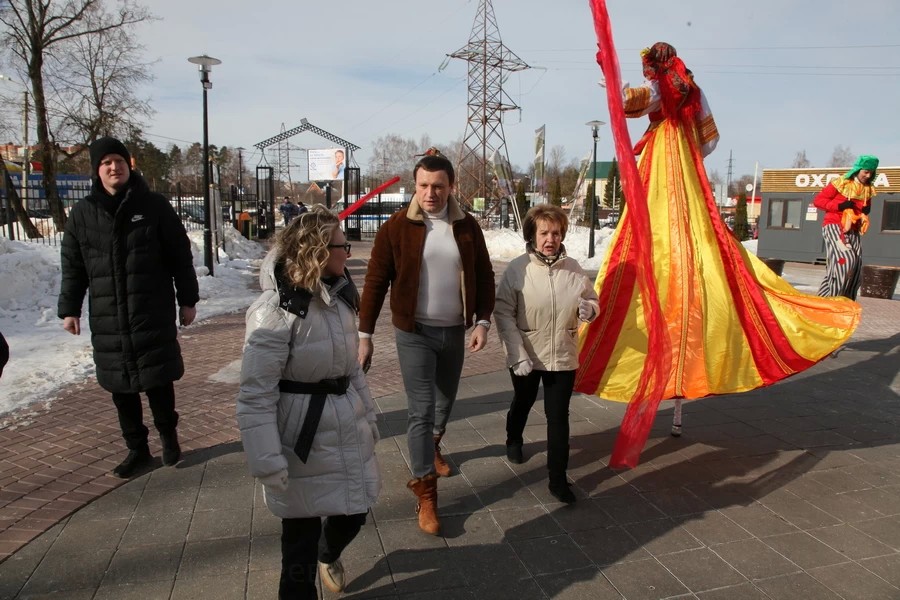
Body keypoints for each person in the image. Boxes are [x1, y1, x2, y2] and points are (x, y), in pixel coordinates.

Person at [577, 40, 861, 468]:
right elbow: (709, 142)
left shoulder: (662, 88)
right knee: (701, 252)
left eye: (648, 68)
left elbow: (633, 101)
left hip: (663, 170)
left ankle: (662, 370)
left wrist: (615, 85)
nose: (649, 74)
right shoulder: (692, 88)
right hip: (687, 169)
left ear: (655, 65)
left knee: (650, 243)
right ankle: (689, 373)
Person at [237, 206, 380, 599]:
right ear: (316, 250)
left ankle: (329, 551)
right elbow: (256, 393)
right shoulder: (274, 312)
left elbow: (350, 367)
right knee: (297, 558)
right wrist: (265, 459)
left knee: (354, 513)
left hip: (345, 425)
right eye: (342, 246)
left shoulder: (341, 296)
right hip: (299, 437)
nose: (348, 253)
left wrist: (368, 415)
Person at [358, 148, 495, 535]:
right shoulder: (396, 227)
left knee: (445, 401)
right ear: (414, 186)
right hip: (413, 332)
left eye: (438, 186)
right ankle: (426, 493)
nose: (430, 193)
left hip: (454, 330)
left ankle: (434, 445)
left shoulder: (467, 226)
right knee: (419, 410)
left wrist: (482, 322)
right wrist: (364, 334)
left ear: (452, 187)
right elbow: (374, 281)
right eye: (423, 185)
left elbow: (485, 277)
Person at [58, 136, 199, 478]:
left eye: (118, 161)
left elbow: (180, 255)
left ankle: (168, 436)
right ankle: (136, 449)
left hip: (151, 310)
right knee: (120, 386)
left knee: (158, 378)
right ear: (97, 170)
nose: (113, 167)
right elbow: (73, 265)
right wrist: (70, 308)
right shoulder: (83, 213)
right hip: (108, 317)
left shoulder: (154, 206)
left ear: (128, 165)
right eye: (106, 162)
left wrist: (188, 299)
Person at [494, 204, 598, 503]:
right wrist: (517, 354)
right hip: (526, 353)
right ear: (533, 235)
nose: (550, 238)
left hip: (562, 354)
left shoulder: (574, 269)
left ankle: (557, 480)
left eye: (555, 232)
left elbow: (591, 298)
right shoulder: (518, 269)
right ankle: (514, 437)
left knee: (558, 417)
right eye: (544, 233)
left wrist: (589, 308)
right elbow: (503, 313)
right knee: (523, 401)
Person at [814, 155, 879, 300]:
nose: (868, 176)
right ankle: (833, 299)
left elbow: (864, 208)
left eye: (871, 173)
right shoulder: (841, 182)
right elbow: (818, 201)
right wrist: (839, 206)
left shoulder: (867, 189)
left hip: (853, 229)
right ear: (858, 169)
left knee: (856, 266)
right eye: (866, 172)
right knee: (845, 260)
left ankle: (842, 299)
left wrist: (865, 211)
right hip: (834, 225)